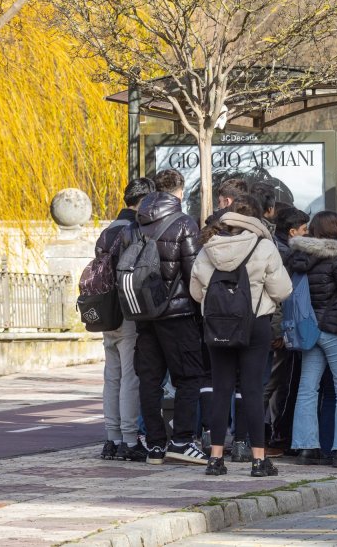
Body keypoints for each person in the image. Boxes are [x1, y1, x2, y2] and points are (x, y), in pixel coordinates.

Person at [190, 194, 292, 477]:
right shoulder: (264, 246)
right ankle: (258, 460)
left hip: (217, 324)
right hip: (255, 323)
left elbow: (196, 289)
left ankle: (215, 458)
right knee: (251, 389)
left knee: (221, 388)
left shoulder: (208, 245)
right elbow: (282, 290)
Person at [129, 168, 210, 465]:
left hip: (145, 314)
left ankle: (154, 445)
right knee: (188, 377)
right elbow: (193, 271)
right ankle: (182, 440)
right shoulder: (184, 223)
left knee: (150, 380)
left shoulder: (138, 222)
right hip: (177, 314)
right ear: (180, 191)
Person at [287, 211, 337, 468]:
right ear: (331, 230)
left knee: (307, 389)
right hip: (335, 329)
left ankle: (306, 447)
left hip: (309, 329)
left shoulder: (299, 255)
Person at [96, 176, 156, 463]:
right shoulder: (136, 229)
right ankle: (130, 440)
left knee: (112, 376)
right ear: (144, 200)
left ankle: (112, 438)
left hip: (106, 314)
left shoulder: (107, 231)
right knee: (130, 378)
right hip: (129, 311)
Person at [265, 207, 310, 455]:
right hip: (280, 328)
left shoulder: (280, 249)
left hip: (280, 326)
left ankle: (265, 433)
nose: (307, 234)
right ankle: (259, 436)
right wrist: (279, 330)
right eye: (304, 230)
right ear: (293, 232)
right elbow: (281, 295)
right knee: (271, 383)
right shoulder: (283, 254)